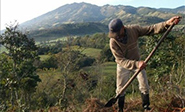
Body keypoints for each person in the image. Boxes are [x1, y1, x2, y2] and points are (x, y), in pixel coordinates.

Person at [108, 16, 181, 112]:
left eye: (117, 33)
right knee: (120, 89)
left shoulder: (133, 30)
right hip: (124, 65)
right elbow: (120, 60)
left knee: (144, 85)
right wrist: (136, 64)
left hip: (138, 62)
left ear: (123, 28)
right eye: (114, 33)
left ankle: (146, 107)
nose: (116, 35)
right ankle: (120, 109)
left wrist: (166, 24)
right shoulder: (113, 42)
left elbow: (151, 29)